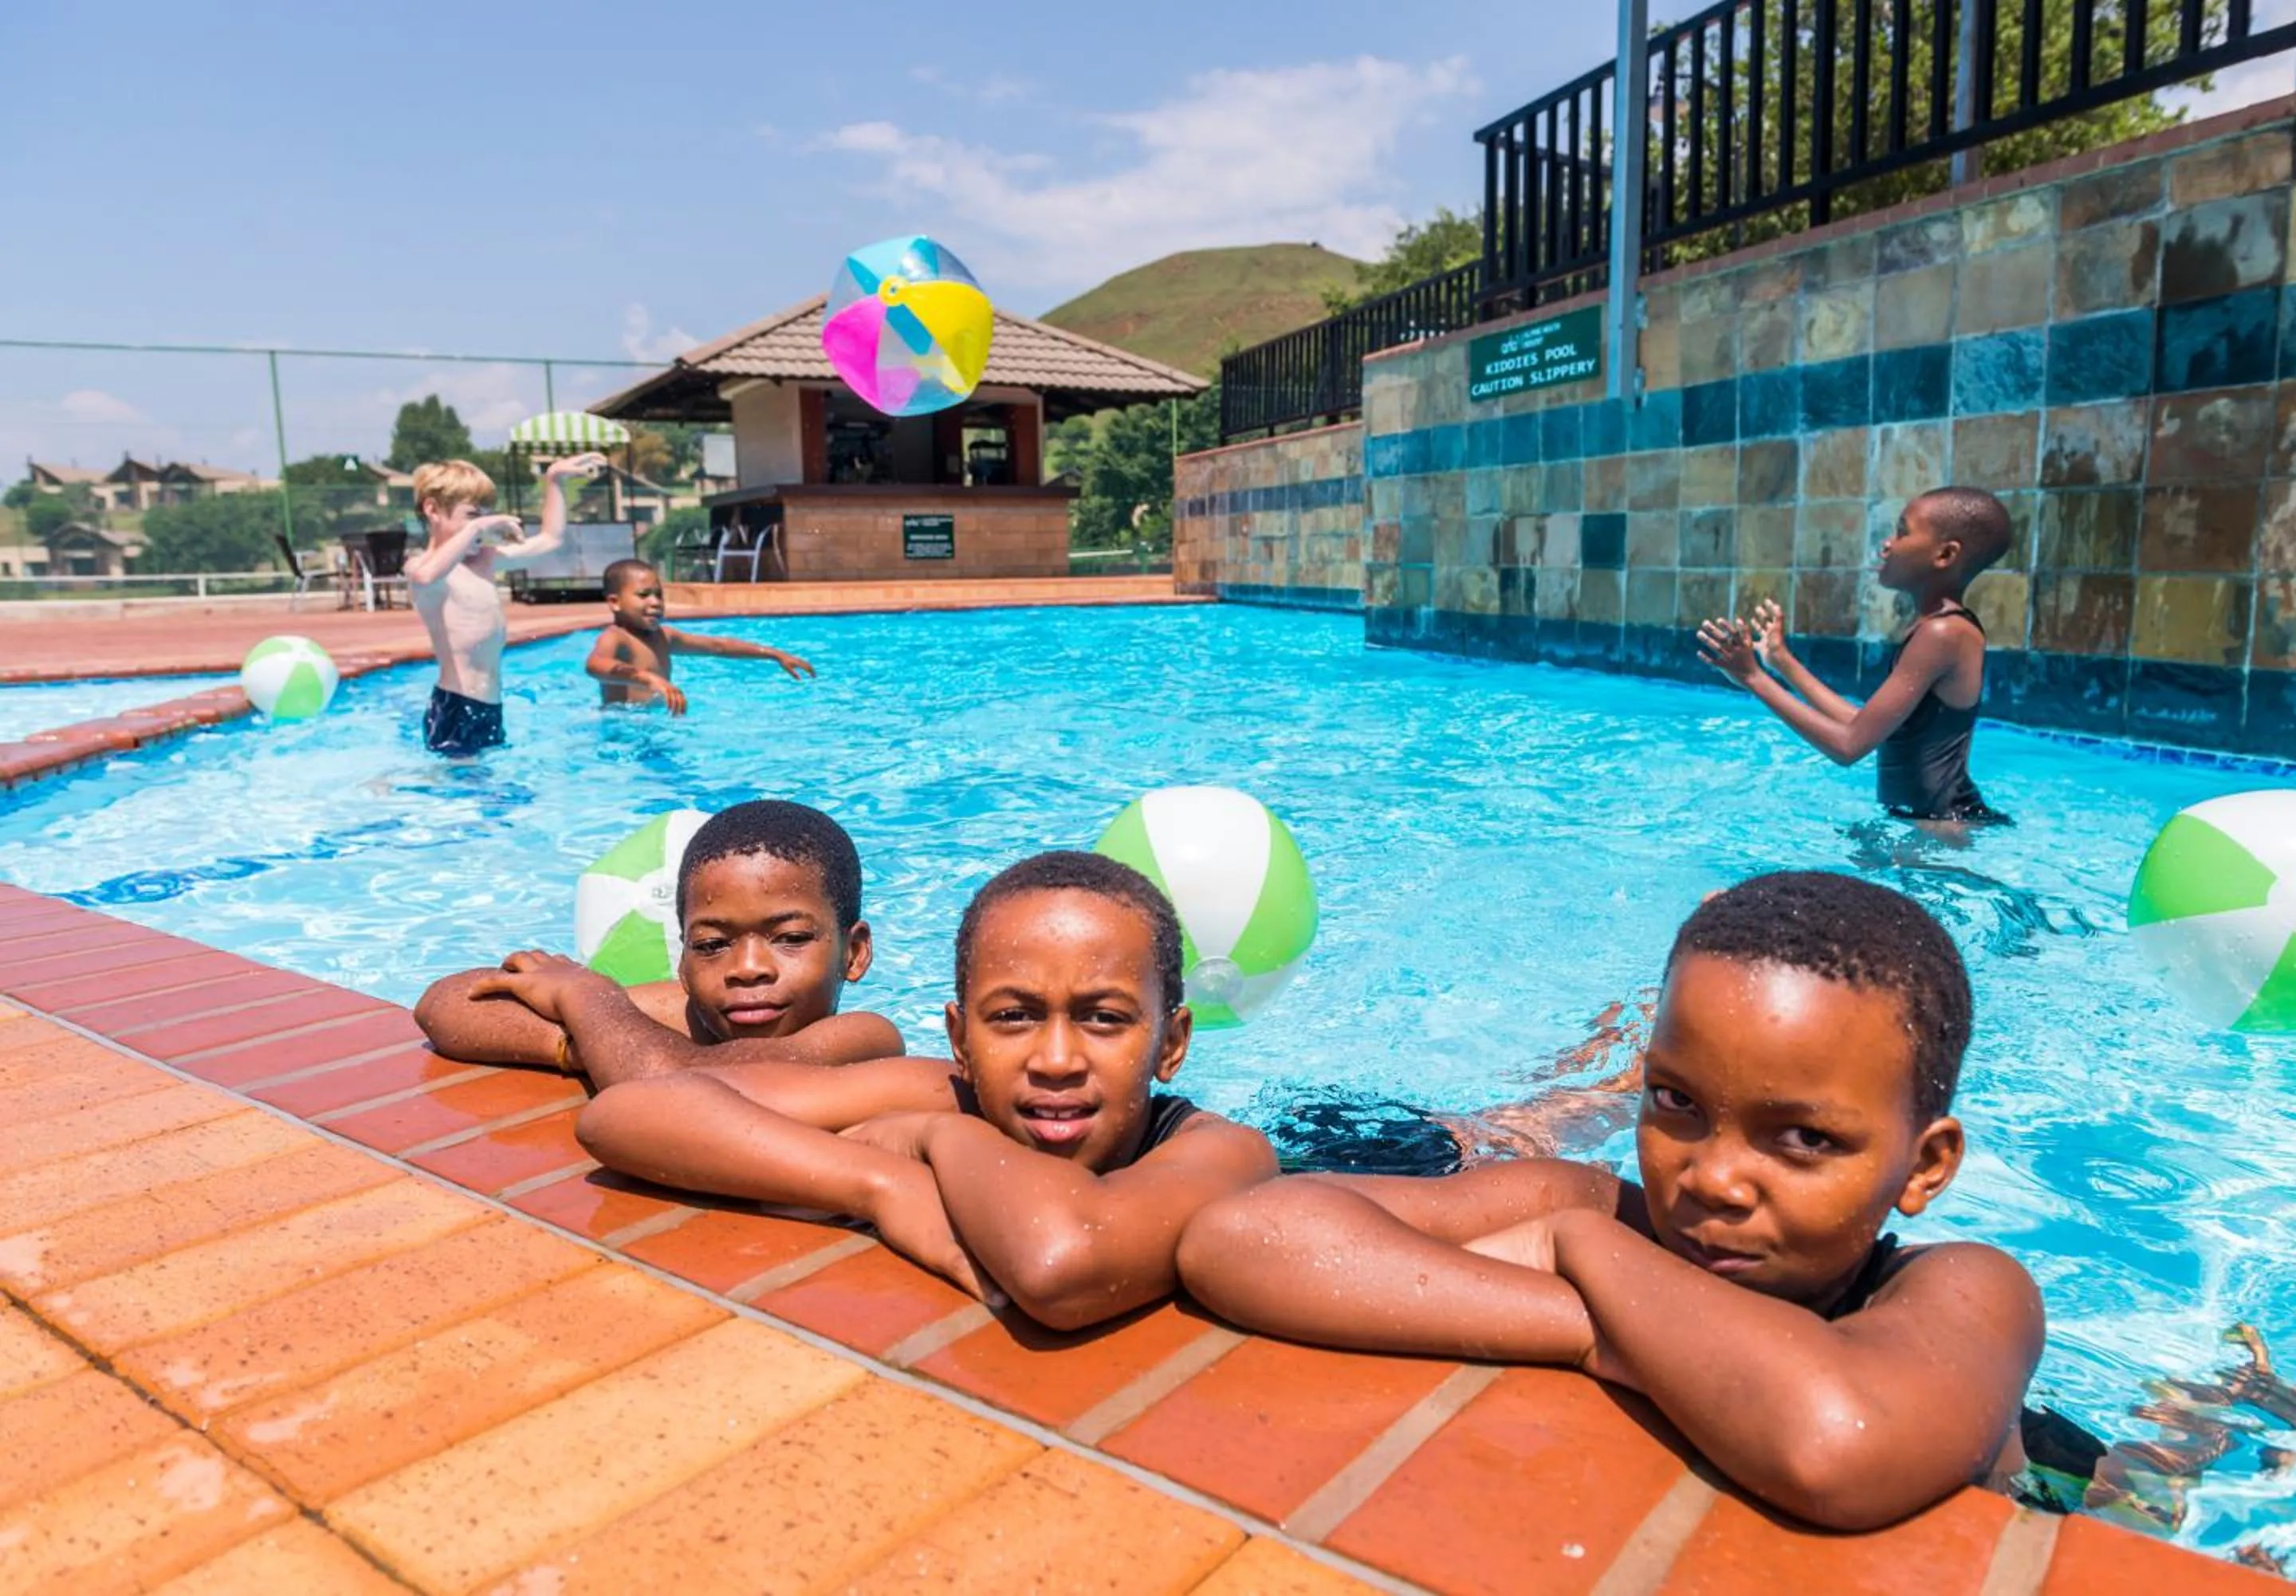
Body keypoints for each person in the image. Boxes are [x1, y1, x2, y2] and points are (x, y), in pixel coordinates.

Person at [1176, 871, 2047, 1531]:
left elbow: (1835, 1443)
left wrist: (1579, 1252)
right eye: (1676, 1102)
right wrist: (1588, 1320)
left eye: (1805, 1139)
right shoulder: (1596, 1201)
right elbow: (1240, 1236)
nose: (1712, 1177)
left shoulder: (1971, 1292)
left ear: (1926, 1167)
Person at [497, 851, 1279, 1329]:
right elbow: (625, 1113)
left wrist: (937, 1138)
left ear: (1171, 1044)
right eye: (1012, 1017)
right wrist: (878, 1182)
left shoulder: (1224, 1153)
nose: (1056, 1059)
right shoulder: (942, 1088)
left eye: (1104, 1019)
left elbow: (1060, 1264)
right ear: (959, 1040)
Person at [415, 800, 899, 1080]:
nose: (748, 967)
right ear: (683, 963)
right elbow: (446, 1003)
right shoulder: (677, 1014)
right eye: (711, 944)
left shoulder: (864, 1039)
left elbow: (707, 1082)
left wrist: (586, 1002)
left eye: (790, 938)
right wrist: (589, 1043)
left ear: (854, 953)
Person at [1696, 487, 2012, 824]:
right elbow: (1863, 726)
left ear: (1945, 555)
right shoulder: (1934, 628)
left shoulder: (1944, 634)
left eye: (1903, 532)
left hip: (1943, 826)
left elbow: (1848, 746)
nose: (1887, 543)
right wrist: (1781, 661)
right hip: (1924, 820)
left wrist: (1753, 679)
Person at [403, 452, 606, 756]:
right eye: (473, 515)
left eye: (486, 516)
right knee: (463, 793)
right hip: (457, 706)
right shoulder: (423, 566)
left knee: (482, 790)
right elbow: (425, 576)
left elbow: (551, 540)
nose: (483, 526)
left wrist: (554, 481)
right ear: (433, 510)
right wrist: (476, 529)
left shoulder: (485, 560)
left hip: (490, 706)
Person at [584, 559, 815, 714]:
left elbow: (717, 646)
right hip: (623, 725)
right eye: (643, 595)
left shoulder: (664, 637)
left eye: (658, 595)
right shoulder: (617, 638)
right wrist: (648, 678)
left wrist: (773, 654)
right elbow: (595, 665)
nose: (655, 602)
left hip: (653, 719)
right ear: (614, 602)